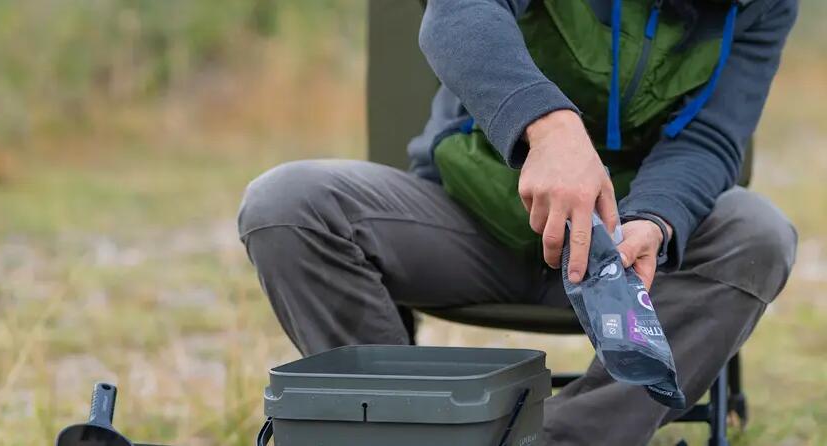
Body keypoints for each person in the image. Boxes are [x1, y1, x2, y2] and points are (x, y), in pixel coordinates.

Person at [238, 0, 798, 443]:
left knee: (759, 235)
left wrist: (653, 220)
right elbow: (458, 12)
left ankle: (561, 441)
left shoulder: (761, 5)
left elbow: (710, 138)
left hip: (619, 259)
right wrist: (548, 127)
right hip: (466, 221)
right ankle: (402, 428)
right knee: (286, 205)